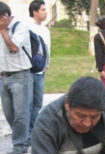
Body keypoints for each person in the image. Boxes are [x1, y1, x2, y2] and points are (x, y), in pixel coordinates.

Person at [0, 1, 32, 154]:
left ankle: (20, 144)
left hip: (20, 76)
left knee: (20, 113)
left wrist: (3, 30)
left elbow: (13, 48)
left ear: (5, 16)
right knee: (9, 113)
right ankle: (24, 138)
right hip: (4, 76)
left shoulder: (20, 26)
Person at [28, 0, 51, 136]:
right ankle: (28, 132)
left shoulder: (45, 29)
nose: (45, 12)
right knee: (28, 104)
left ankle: (34, 131)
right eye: (43, 10)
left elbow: (48, 49)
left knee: (37, 102)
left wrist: (47, 64)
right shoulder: (26, 27)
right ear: (34, 11)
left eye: (45, 9)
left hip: (41, 71)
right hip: (29, 70)